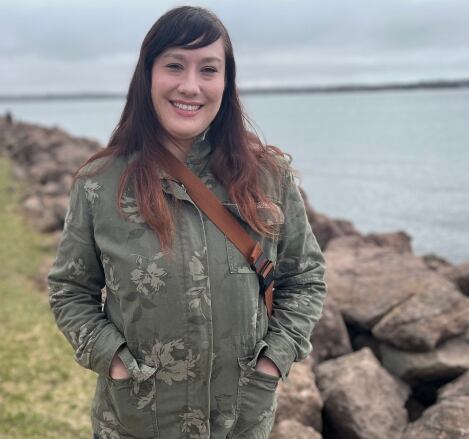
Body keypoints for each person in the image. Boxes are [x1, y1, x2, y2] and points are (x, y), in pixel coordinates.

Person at [47, 6, 327, 439]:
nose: (190, 86)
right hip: (136, 423)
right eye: (174, 65)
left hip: (241, 422)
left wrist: (272, 364)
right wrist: (116, 363)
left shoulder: (269, 177)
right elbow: (70, 290)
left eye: (208, 70)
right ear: (148, 75)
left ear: (225, 82)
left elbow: (305, 278)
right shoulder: (99, 184)